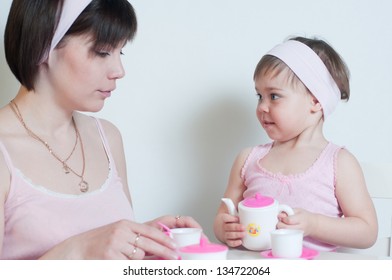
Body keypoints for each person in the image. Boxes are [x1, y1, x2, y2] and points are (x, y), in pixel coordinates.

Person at [0, 0, 202, 260]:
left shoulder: (107, 137)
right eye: (103, 52)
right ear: (44, 47)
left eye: (121, 53)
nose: (119, 71)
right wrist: (79, 250)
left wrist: (141, 240)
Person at [214, 36, 378, 252]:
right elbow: (223, 216)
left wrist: (314, 224)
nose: (262, 106)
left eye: (274, 96)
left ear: (316, 101)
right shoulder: (248, 159)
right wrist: (224, 230)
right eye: (259, 96)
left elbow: (367, 231)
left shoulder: (338, 163)